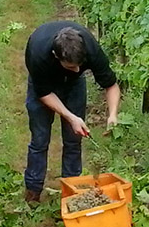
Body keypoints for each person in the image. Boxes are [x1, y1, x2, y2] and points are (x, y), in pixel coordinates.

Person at [23, 21, 120, 203]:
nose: (76, 70)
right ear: (56, 56)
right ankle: (33, 191)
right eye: (70, 67)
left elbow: (111, 85)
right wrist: (70, 116)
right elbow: (44, 94)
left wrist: (113, 115)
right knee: (40, 138)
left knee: (73, 140)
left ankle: (72, 193)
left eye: (79, 66)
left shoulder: (89, 47)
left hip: (73, 86)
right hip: (44, 85)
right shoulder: (38, 54)